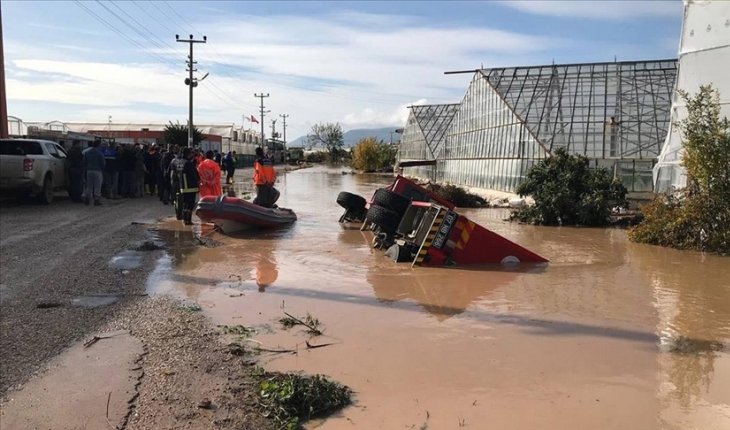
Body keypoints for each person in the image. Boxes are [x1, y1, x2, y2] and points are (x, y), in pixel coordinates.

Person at [175, 147, 200, 225]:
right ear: (188, 154)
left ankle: (184, 219)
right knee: (190, 204)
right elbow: (194, 174)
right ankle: (188, 220)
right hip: (190, 187)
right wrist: (198, 180)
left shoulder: (179, 162)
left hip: (182, 186)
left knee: (185, 203)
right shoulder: (188, 163)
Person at [82, 138, 106, 206]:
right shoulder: (99, 153)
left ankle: (87, 198)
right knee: (97, 186)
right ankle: (96, 200)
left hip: (89, 170)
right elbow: (103, 163)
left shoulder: (87, 153)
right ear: (98, 145)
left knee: (89, 185)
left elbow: (84, 162)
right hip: (98, 171)